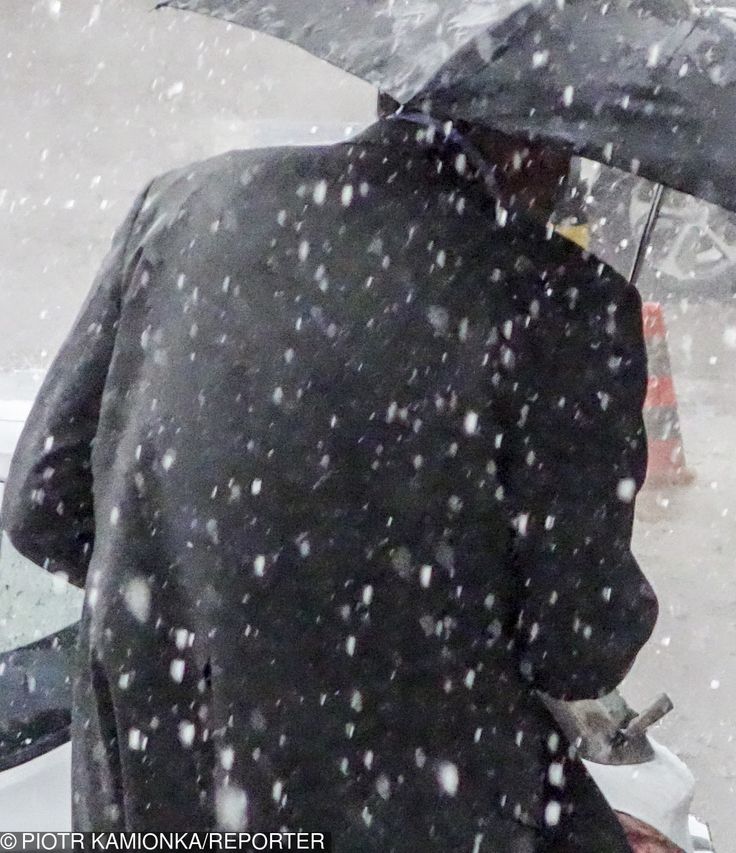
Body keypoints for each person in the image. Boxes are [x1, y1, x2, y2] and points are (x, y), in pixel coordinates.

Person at [1, 95, 658, 852]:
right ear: (537, 144)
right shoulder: (565, 300)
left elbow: (42, 504)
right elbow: (578, 645)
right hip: (420, 812)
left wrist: (219, 602)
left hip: (159, 796)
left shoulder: (188, 206)